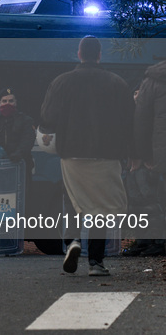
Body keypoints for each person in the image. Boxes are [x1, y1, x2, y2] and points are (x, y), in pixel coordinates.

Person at [41, 35, 133, 276]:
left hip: (72, 154)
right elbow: (128, 122)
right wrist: (130, 152)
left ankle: (73, 241)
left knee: (75, 201)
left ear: (79, 54)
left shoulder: (62, 82)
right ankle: (96, 262)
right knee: (101, 210)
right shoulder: (117, 83)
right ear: (100, 55)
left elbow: (48, 118)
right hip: (108, 154)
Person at [132, 59, 166, 256]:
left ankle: (158, 242)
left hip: (161, 152)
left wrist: (143, 154)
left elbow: (142, 120)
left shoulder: (152, 80)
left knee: (158, 198)